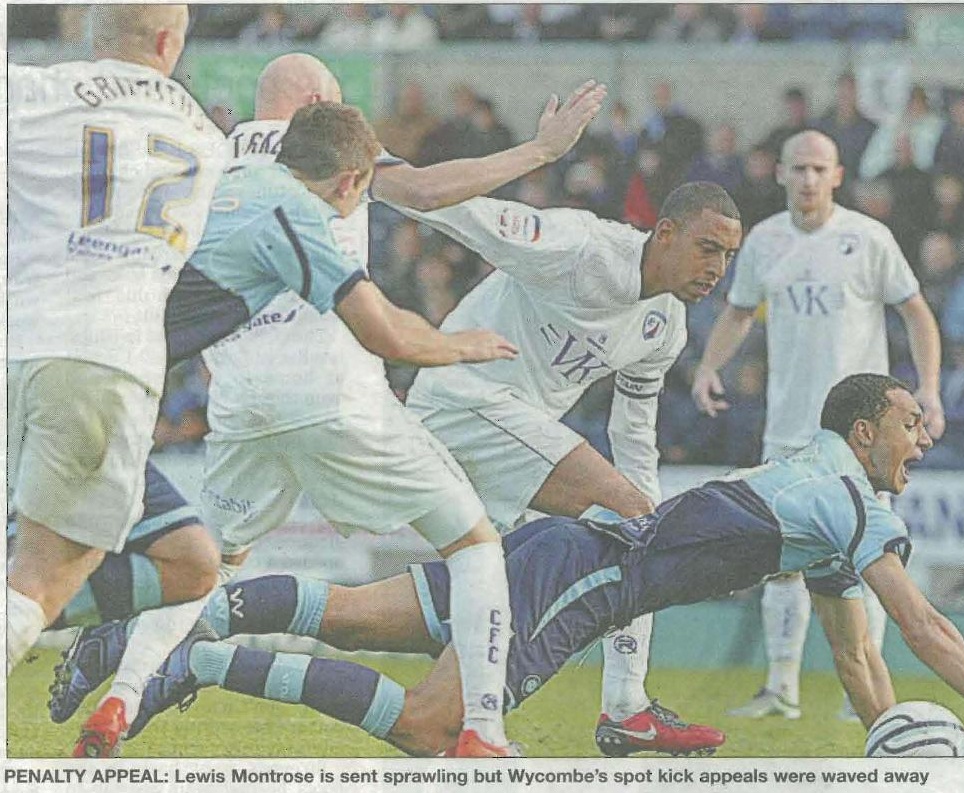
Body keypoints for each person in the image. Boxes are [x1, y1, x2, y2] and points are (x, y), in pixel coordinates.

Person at [50, 55, 607, 759]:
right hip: (333, 390)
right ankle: (482, 731)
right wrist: (541, 150)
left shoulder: (210, 161)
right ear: (317, 107)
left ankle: (118, 701)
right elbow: (431, 192)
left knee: (205, 567)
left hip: (240, 404)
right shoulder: (333, 161)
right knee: (474, 544)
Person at [131, 374, 964, 759]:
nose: (922, 435)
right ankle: (203, 662)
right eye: (908, 421)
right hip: (586, 575)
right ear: (863, 430)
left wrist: (884, 739)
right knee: (434, 726)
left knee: (349, 612)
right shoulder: (856, 502)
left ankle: (170, 631)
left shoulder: (821, 490)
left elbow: (860, 657)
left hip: (560, 543)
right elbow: (924, 626)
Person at [398, 181, 742, 756]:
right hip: (461, 402)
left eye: (728, 256)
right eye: (708, 247)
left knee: (499, 586)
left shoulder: (666, 327)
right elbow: (469, 216)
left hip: (506, 434)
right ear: (666, 233)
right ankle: (626, 708)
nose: (718, 268)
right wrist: (375, 178)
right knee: (622, 529)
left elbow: (633, 436)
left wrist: (645, 514)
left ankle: (449, 727)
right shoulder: (582, 247)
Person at [6, 3, 228, 756]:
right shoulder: (204, 135)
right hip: (104, 362)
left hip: (20, 343)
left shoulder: (36, 93)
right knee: (35, 581)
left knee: (187, 561)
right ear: (169, 42)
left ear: (89, 36)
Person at [690, 130, 945, 722]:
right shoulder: (763, 241)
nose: (808, 178)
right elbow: (737, 312)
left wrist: (927, 388)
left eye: (819, 169)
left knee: (872, 556)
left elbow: (917, 314)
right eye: (798, 168)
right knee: (780, 555)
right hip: (790, 427)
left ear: (837, 175)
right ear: (780, 173)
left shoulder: (868, 237)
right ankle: (781, 688)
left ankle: (868, 696)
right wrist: (707, 366)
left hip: (864, 436)